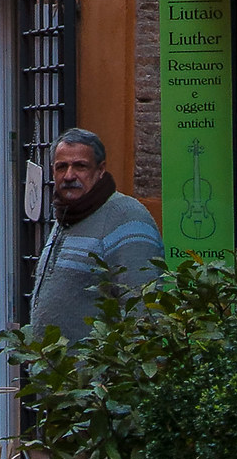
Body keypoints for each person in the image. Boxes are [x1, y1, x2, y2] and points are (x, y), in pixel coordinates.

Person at [27, 126, 161, 340]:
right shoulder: (67, 214)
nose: (69, 175)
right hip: (57, 371)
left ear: (100, 170)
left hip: (100, 372)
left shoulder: (125, 216)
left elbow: (146, 309)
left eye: (80, 166)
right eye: (61, 167)